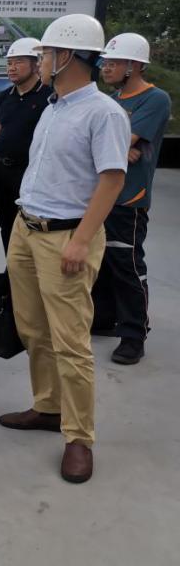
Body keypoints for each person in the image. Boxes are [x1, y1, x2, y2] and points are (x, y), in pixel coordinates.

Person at [0, 14, 128, 485]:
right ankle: (48, 407)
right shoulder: (53, 108)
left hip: (67, 238)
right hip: (27, 229)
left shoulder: (103, 113)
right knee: (34, 328)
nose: (40, 61)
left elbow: (112, 180)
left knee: (71, 341)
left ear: (67, 56)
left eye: (46, 54)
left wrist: (80, 240)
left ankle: (79, 437)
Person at [91, 32, 171, 365]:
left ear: (134, 65)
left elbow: (122, 142)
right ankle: (104, 318)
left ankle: (134, 334)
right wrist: (119, 149)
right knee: (100, 261)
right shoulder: (112, 99)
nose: (106, 68)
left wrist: (119, 147)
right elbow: (101, 146)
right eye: (105, 63)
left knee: (127, 265)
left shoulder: (154, 100)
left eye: (113, 63)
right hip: (100, 195)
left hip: (128, 197)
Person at [0, 38, 53, 253]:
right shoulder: (3, 97)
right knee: (6, 225)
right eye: (9, 63)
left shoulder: (49, 96)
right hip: (2, 172)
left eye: (18, 62)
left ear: (36, 64)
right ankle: (11, 269)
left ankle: (29, 269)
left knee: (31, 226)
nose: (12, 68)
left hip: (30, 172)